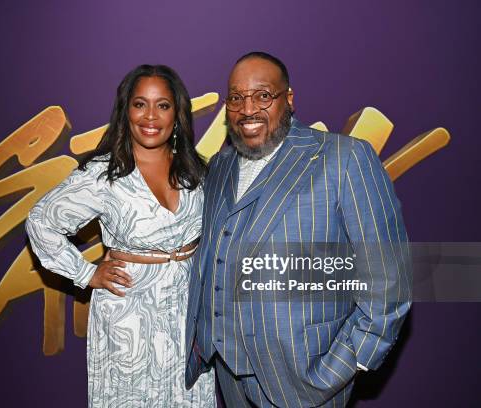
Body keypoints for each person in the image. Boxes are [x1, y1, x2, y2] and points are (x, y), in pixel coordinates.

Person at [184, 52, 411, 407]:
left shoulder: (343, 157)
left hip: (304, 378)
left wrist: (349, 361)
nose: (248, 109)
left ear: (288, 99)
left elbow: (388, 274)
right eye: (236, 98)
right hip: (226, 374)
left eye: (263, 95)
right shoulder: (220, 166)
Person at [26, 65, 215, 407]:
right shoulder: (103, 173)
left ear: (178, 113)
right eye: (140, 104)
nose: (151, 116)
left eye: (163, 105)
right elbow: (41, 221)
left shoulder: (195, 170)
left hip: (188, 310)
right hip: (128, 313)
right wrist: (87, 273)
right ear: (126, 110)